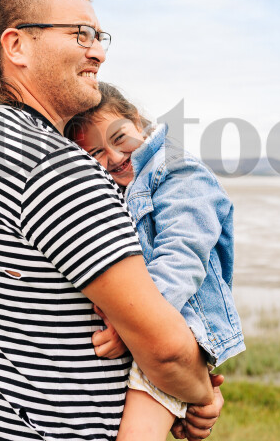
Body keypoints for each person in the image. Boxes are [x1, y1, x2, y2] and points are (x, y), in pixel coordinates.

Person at [0, 0, 223, 441]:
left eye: (99, 36)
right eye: (80, 34)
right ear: (17, 45)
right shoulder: (53, 165)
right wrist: (202, 392)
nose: (97, 50)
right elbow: (164, 350)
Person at [65, 83, 245, 441]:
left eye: (120, 138)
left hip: (177, 325)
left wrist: (128, 325)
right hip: (157, 326)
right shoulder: (119, 186)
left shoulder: (178, 171)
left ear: (137, 120)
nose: (114, 157)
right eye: (97, 152)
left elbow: (182, 257)